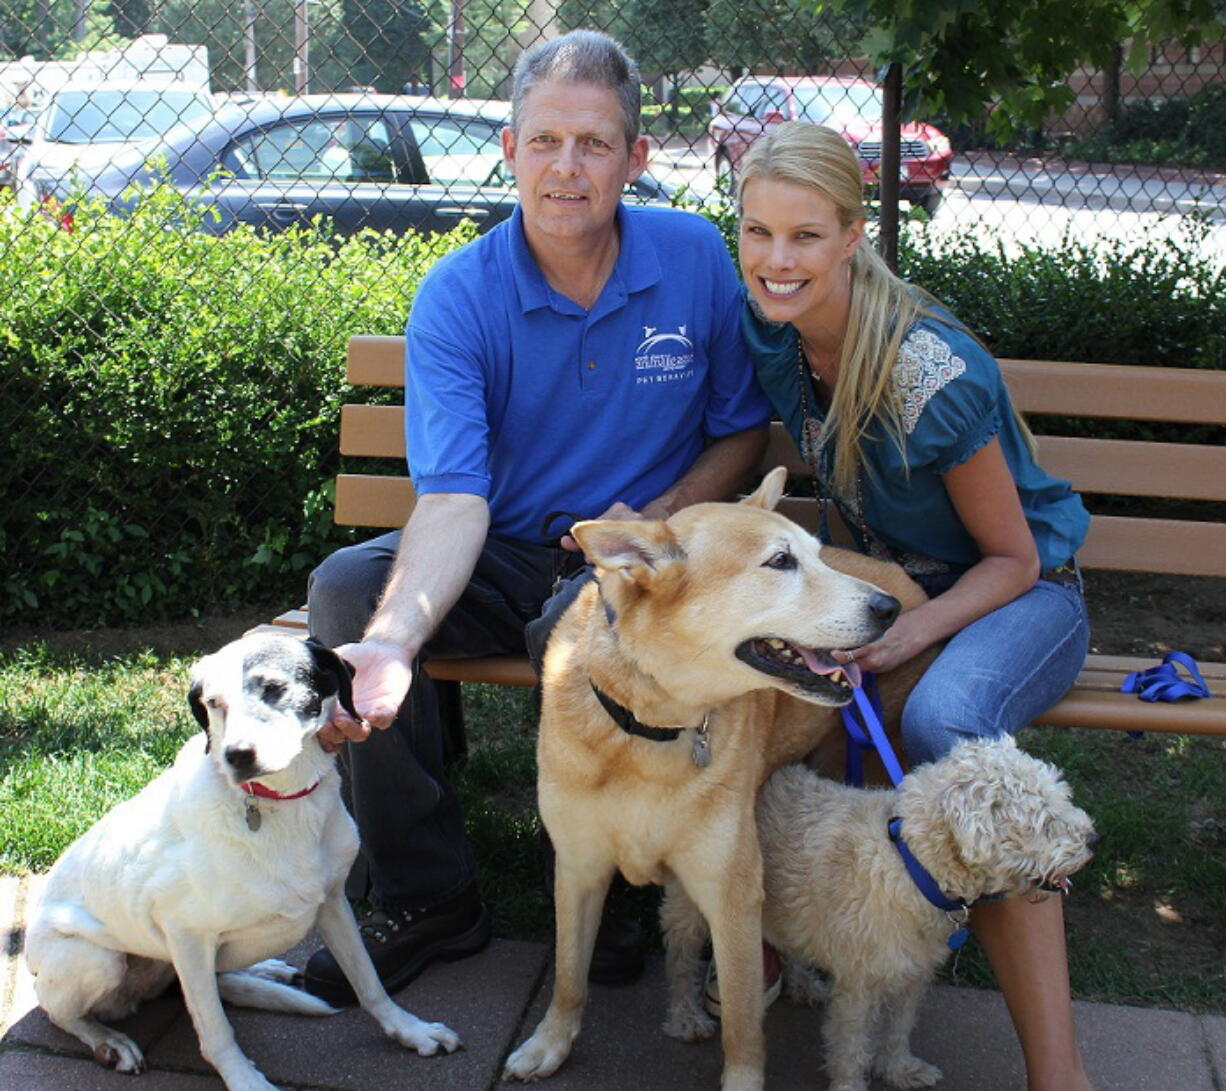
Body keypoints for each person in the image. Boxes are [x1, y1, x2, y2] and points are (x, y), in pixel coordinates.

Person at [300, 30, 771, 1007]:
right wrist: (388, 640)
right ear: (508, 149)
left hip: (635, 563)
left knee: (594, 614)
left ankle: (623, 878)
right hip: (499, 547)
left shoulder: (690, 259)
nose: (567, 167)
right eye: (545, 140)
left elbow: (742, 434)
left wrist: (655, 521)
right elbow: (454, 496)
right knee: (346, 590)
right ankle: (427, 893)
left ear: (635, 159)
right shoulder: (458, 296)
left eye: (594, 143)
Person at [735, 120, 1094, 1091]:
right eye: (757, 232)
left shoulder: (923, 371)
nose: (776, 259)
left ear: (852, 236)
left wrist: (900, 639)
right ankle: (778, 932)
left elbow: (1012, 556)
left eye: (804, 235)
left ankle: (1056, 1071)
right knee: (765, 679)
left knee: (945, 721)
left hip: (1022, 595)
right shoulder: (771, 332)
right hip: (902, 588)